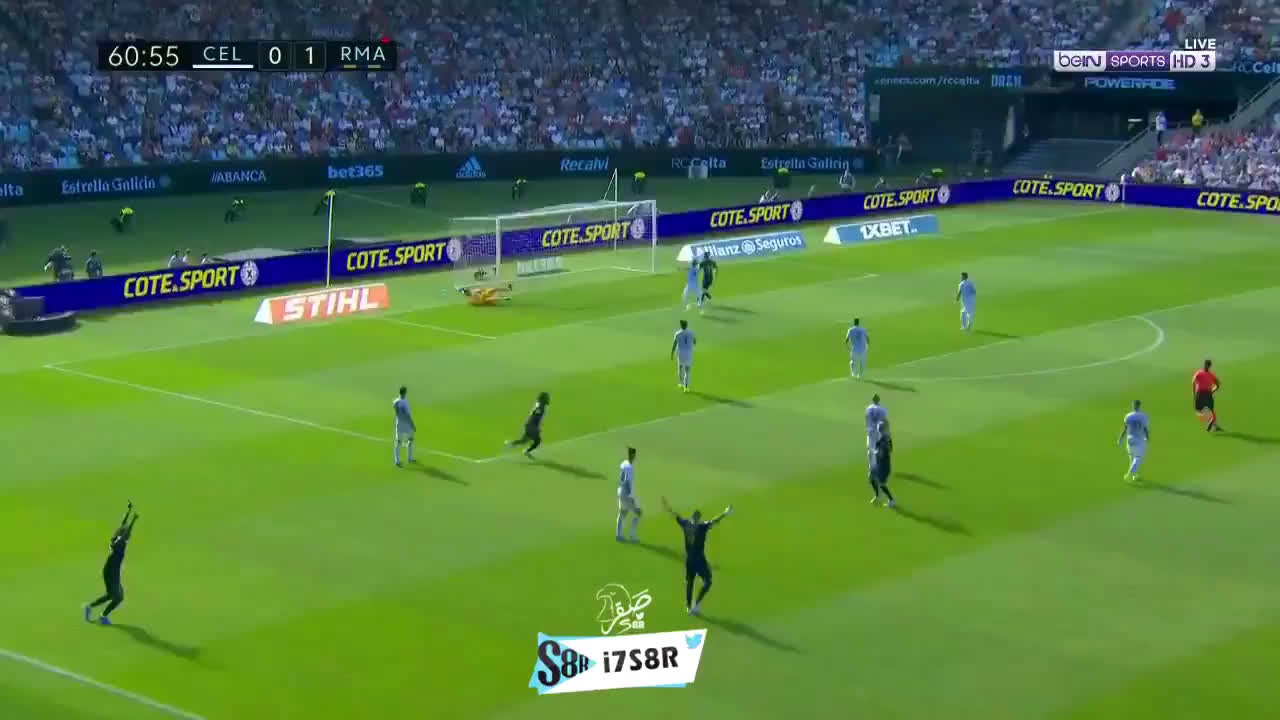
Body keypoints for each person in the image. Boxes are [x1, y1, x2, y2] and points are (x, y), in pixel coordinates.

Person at [661, 497, 731, 616]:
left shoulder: (686, 524)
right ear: (698, 518)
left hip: (689, 559)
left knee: (690, 582)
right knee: (708, 581)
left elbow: (675, 516)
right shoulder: (702, 527)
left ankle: (689, 607)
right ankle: (696, 604)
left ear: (692, 517)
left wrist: (667, 506)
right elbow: (714, 521)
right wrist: (725, 513)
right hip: (699, 559)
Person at [83, 502, 138, 625]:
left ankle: (94, 610)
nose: (128, 534)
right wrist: (133, 520)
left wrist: (129, 511)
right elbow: (126, 531)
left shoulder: (117, 537)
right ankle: (98, 613)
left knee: (115, 596)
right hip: (111, 573)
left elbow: (123, 524)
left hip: (112, 572)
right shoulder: (120, 543)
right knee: (116, 596)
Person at [506, 392, 550, 457]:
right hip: (532, 426)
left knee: (524, 440)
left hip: (529, 425)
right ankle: (525, 451)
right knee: (537, 441)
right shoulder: (541, 407)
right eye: (547, 398)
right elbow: (536, 417)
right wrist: (537, 428)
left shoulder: (539, 405)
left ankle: (511, 443)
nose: (548, 399)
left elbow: (533, 415)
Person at [1117, 399, 1150, 483]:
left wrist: (1120, 438)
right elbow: (1145, 429)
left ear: (1133, 406)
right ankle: (1129, 474)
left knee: (1131, 458)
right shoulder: (1143, 416)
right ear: (1139, 406)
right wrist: (1147, 438)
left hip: (1130, 439)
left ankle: (1134, 475)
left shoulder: (1128, 416)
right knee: (1138, 458)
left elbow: (1125, 429)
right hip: (1139, 439)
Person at [616, 447, 641, 543]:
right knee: (638, 512)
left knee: (623, 512)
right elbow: (628, 482)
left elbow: (622, 478)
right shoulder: (630, 467)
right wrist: (631, 497)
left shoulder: (623, 463)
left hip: (619, 491)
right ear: (633, 455)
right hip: (626, 493)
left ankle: (618, 535)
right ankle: (632, 535)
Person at [869, 420, 896, 507]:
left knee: (881, 484)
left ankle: (892, 500)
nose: (879, 430)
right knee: (871, 477)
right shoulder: (886, 439)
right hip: (879, 465)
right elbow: (890, 449)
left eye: (880, 428)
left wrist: (873, 451)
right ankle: (877, 496)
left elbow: (881, 454)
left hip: (884, 467)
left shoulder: (884, 440)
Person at [1192, 359, 1222, 432]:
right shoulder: (1211, 374)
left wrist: (1194, 394)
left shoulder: (1199, 373)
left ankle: (1210, 422)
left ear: (1204, 364)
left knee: (1198, 410)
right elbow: (1218, 384)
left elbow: (1193, 381)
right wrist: (1212, 391)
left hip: (1200, 393)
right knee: (1211, 410)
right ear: (1210, 366)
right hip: (1208, 394)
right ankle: (1214, 424)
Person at [671, 319, 696, 392]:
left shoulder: (677, 333)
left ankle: (681, 383)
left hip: (680, 353)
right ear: (687, 325)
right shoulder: (691, 333)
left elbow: (674, 344)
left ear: (681, 325)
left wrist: (672, 353)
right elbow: (694, 342)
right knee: (687, 371)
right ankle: (686, 387)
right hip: (688, 353)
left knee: (680, 368)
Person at [393, 385, 415, 466]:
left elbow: (395, 410)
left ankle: (397, 461)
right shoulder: (405, 402)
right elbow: (407, 415)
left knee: (398, 442)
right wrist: (412, 424)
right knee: (410, 439)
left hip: (399, 423)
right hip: (407, 424)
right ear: (405, 392)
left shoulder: (396, 401)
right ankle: (409, 458)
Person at [865, 394, 888, 472]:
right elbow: (884, 421)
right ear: (878, 400)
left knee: (870, 450)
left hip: (870, 431)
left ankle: (872, 467)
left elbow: (866, 419)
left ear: (873, 400)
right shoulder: (883, 409)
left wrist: (868, 427)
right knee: (878, 449)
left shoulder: (868, 408)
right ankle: (878, 466)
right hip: (879, 432)